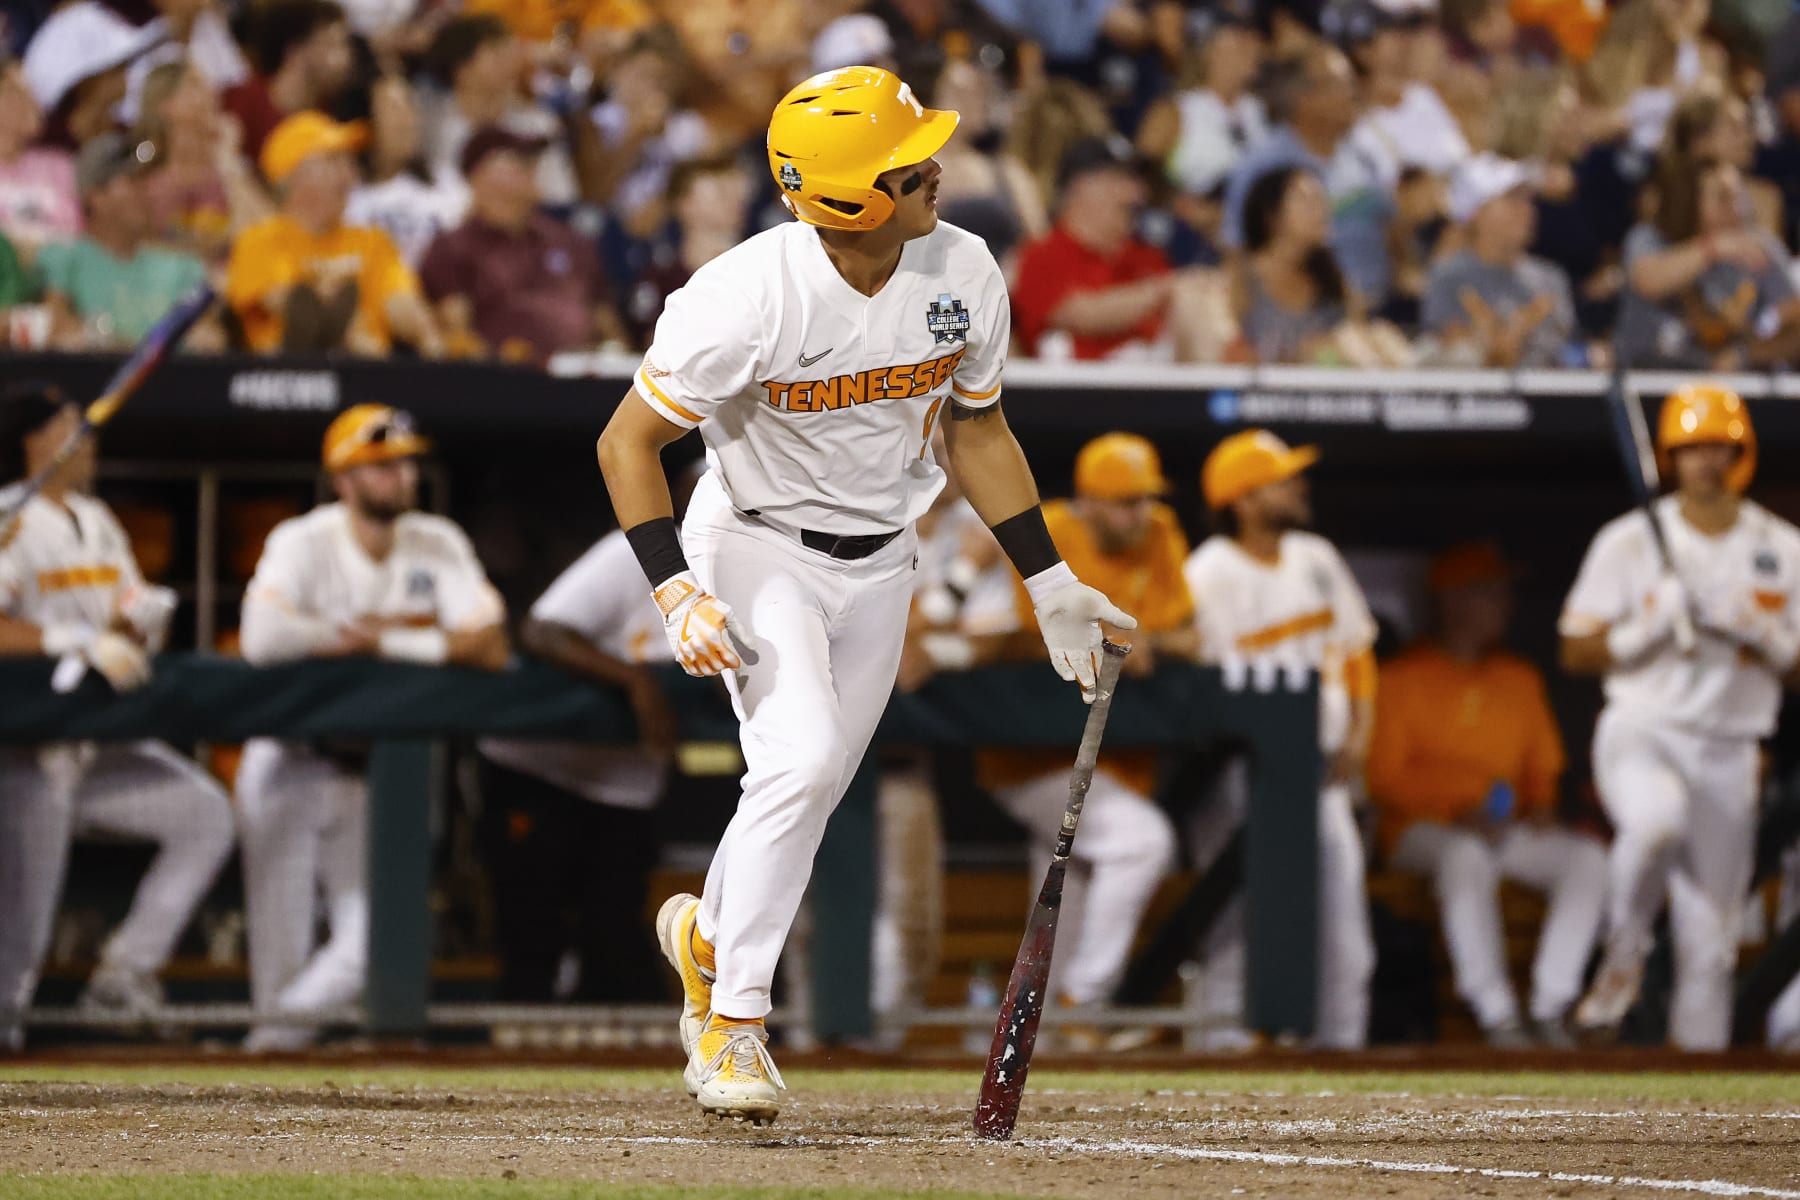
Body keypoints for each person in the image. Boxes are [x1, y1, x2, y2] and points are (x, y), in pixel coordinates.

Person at [594, 65, 1131, 1124]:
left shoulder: (963, 267)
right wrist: (675, 594)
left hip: (885, 557)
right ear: (845, 197)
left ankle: (706, 939)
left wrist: (1051, 577)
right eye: (904, 163)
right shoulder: (745, 294)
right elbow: (627, 441)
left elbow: (977, 429)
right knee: (797, 760)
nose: (933, 169)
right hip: (754, 543)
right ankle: (734, 1026)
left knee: (816, 782)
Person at [237, 404, 509, 1051]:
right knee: (278, 955)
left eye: (407, 462)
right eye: (383, 465)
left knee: (379, 935)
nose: (402, 474)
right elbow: (262, 637)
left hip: (373, 775)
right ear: (344, 479)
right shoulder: (302, 541)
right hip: (286, 763)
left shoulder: (436, 542)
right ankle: (263, 1095)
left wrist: (383, 642)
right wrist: (366, 633)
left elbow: (492, 646)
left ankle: (266, 1043)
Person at [1561, 383, 1800, 1051]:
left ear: (1739, 452)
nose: (1705, 461)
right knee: (1655, 823)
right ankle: (1625, 952)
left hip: (1729, 750)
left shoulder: (1782, 548)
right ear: (1671, 456)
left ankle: (1697, 1116)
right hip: (1644, 729)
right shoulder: (1631, 540)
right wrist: (1647, 630)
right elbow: (1575, 648)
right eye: (1691, 448)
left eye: (1717, 447)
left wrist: (1766, 637)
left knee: (1712, 942)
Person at [0, 382, 235, 1052]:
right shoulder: (9, 518)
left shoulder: (97, 520)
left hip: (96, 743)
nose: (89, 439)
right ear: (35, 442)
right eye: (75, 426)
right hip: (28, 750)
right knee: (22, 928)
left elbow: (125, 621)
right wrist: (66, 640)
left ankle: (123, 976)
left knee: (204, 814)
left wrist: (137, 625)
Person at [969, 433, 1191, 1044]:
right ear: (1087, 502)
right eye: (1123, 503)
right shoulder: (1048, 531)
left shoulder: (1162, 533)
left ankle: (1053, 1034)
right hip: (1030, 759)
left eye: (1144, 500)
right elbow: (1015, 637)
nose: (1138, 515)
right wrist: (1110, 637)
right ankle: (1084, 999)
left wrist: (1154, 643)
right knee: (1142, 842)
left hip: (1114, 756)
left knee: (1069, 898)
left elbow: (1187, 631)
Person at [1367, 542, 1606, 1048]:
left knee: (1587, 860)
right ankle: (1497, 1013)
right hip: (1421, 831)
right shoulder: (1401, 678)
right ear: (1453, 601)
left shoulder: (1518, 677)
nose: (1504, 604)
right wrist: (1456, 809)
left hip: (1504, 827)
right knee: (1464, 856)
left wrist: (1541, 806)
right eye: (1490, 592)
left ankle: (1550, 1004)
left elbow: (1545, 768)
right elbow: (1383, 778)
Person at [474, 468, 699, 1004]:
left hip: (624, 786)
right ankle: (503, 1084)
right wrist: (634, 681)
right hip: (536, 770)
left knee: (615, 940)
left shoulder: (751, 571)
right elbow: (543, 629)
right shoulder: (642, 551)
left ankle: (607, 1080)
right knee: (532, 939)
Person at [1184, 430, 1378, 1050]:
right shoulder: (1208, 573)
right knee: (1233, 927)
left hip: (1320, 772)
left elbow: (1356, 652)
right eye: (1282, 479)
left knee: (1345, 931)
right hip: (1240, 771)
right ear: (1242, 500)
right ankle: (1220, 1065)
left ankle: (1340, 1064)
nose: (1299, 485)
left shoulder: (1316, 556)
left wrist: (1361, 732)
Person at [226, 110, 443, 356]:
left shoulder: (373, 241)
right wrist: (350, 329)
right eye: (334, 160)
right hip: (288, 381)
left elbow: (399, 300)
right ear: (295, 175)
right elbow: (283, 300)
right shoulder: (260, 240)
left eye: (350, 162)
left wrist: (426, 336)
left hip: (367, 380)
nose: (349, 174)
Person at [418, 125, 623, 364]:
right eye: (517, 161)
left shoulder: (571, 241)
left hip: (586, 378)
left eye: (532, 161)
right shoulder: (454, 248)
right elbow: (456, 337)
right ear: (479, 177)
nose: (532, 168)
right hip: (506, 385)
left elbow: (605, 320)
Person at [1222, 41, 1394, 309]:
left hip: (1383, 304)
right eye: (1338, 85)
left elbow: (1390, 231)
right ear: (1303, 99)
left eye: (1351, 82)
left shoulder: (1362, 155)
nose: (1352, 93)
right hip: (1308, 317)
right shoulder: (1263, 167)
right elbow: (1238, 255)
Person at [1614, 159, 1800, 370]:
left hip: (1736, 392)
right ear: (1689, 202)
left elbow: (1793, 324)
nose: (1736, 209)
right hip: (1652, 382)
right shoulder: (1649, 238)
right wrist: (1712, 249)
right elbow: (1647, 281)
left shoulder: (1758, 248)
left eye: (1739, 197)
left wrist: (1745, 354)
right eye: (1723, 198)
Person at [38, 132, 211, 349]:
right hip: (97, 379)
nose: (147, 191)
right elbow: (55, 326)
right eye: (133, 181)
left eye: (147, 180)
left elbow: (209, 336)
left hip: (175, 380)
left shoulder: (179, 266)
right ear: (96, 197)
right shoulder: (65, 257)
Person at [1011, 136, 1175, 361]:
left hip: (1160, 381)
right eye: (1119, 180)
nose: (1135, 194)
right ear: (1080, 188)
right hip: (1073, 388)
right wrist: (1162, 292)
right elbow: (1078, 314)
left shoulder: (1147, 257)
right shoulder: (1041, 255)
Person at [1232, 163, 1410, 366]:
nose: (1321, 209)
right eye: (1307, 200)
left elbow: (1357, 331)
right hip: (1267, 385)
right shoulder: (1243, 278)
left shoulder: (1332, 276)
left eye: (1321, 199)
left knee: (1382, 335)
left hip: (1332, 379)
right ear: (1272, 216)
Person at [1420, 154, 1576, 368]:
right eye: (1511, 199)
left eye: (1528, 199)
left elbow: (1563, 351)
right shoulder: (1448, 277)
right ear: (1477, 212)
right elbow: (1447, 350)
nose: (1527, 210)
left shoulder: (1551, 278)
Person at [133, 58, 273, 268]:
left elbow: (270, 233)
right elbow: (141, 250)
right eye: (195, 84)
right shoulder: (145, 179)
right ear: (166, 105)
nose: (211, 92)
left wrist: (229, 160)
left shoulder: (231, 168)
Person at [343, 74, 466, 269]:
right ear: (364, 121)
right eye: (393, 109)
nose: (407, 119)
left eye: (409, 107)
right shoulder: (346, 194)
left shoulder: (445, 181)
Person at [222, 0, 354, 163]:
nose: (345, 58)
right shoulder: (243, 102)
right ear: (293, 52)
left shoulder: (330, 109)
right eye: (331, 44)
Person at [0, 59, 79, 249]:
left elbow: (74, 233)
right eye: (15, 94)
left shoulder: (59, 164)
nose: (31, 103)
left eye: (31, 92)